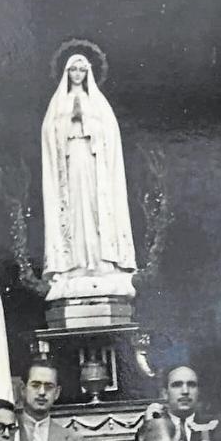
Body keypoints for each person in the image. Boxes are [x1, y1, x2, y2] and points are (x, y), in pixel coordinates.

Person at [41, 53, 136, 282]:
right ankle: (74, 262)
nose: (77, 75)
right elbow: (49, 132)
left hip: (93, 161)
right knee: (74, 206)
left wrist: (87, 122)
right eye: (73, 70)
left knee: (95, 206)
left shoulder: (96, 101)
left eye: (81, 70)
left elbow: (110, 132)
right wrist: (68, 121)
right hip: (71, 159)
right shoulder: (59, 102)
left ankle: (100, 260)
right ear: (66, 73)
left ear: (87, 73)